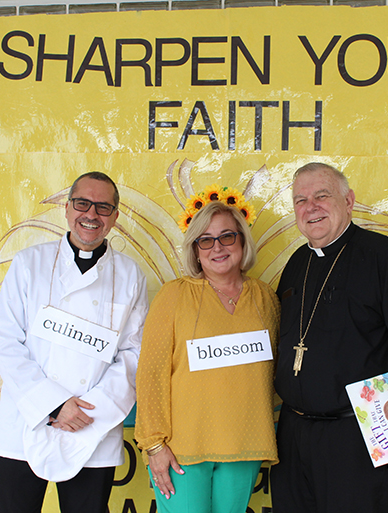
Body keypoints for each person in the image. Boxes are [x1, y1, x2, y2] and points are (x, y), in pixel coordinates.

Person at [270, 163, 388, 513]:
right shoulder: (297, 262)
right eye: (300, 200)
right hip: (293, 433)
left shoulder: (385, 257)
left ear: (348, 201)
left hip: (356, 437)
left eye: (322, 196)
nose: (310, 207)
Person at [0, 172, 148, 513]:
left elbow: (134, 354)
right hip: (24, 425)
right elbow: (6, 341)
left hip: (94, 429)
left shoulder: (131, 275)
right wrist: (54, 405)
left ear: (115, 217)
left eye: (103, 207)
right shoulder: (29, 264)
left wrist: (89, 412)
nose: (91, 214)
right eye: (82, 203)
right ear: (67, 207)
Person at [135, 196, 280, 513]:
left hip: (244, 444)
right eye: (206, 240)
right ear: (195, 250)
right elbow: (151, 373)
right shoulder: (174, 295)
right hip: (181, 449)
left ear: (242, 241)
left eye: (227, 236)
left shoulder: (265, 298)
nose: (218, 247)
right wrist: (154, 444)